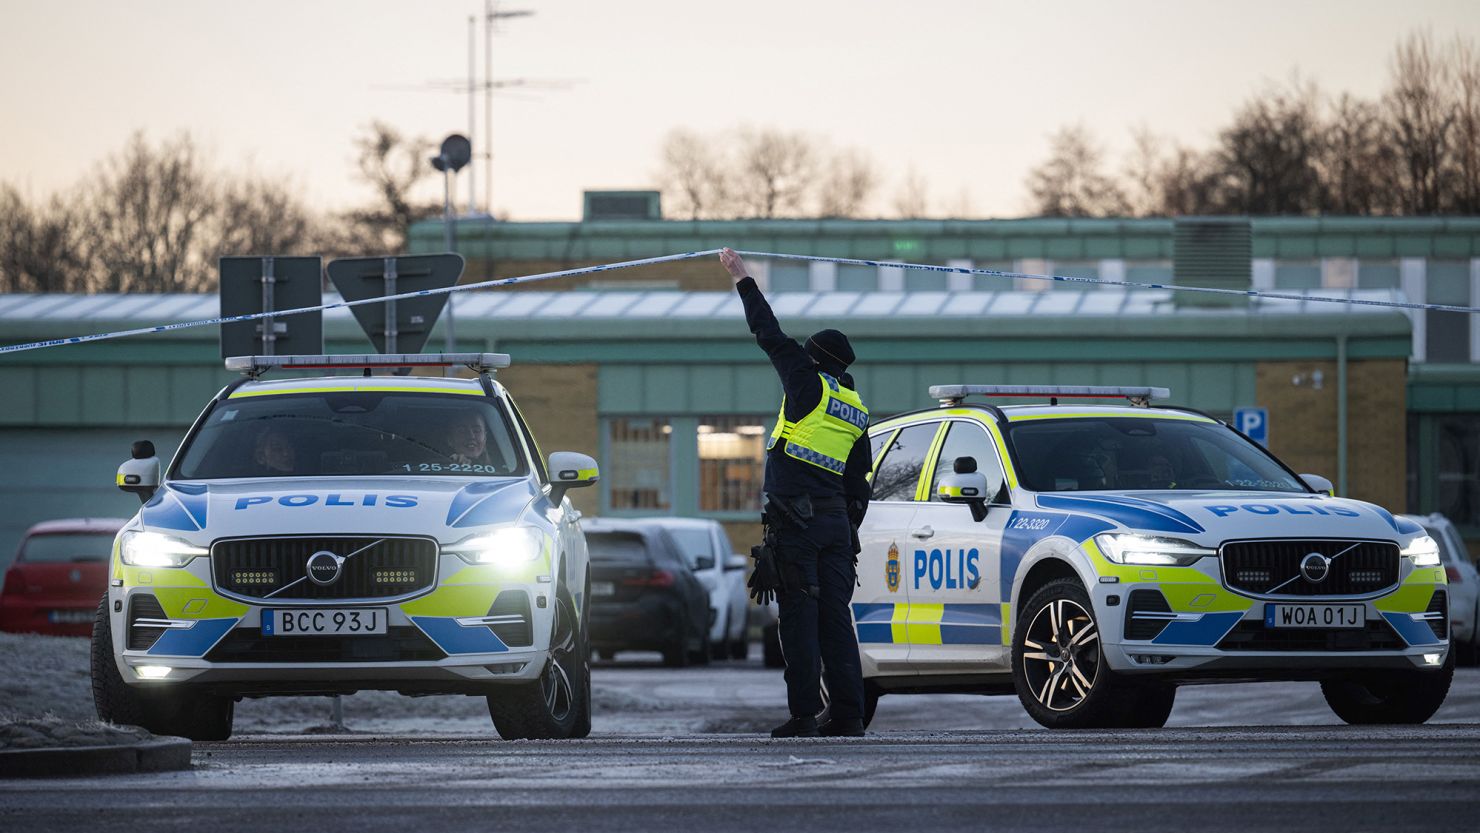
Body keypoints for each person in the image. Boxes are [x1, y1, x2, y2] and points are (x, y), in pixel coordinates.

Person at [719, 247, 872, 739]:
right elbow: (859, 484)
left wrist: (741, 278)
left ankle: (805, 715)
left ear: (815, 360)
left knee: (799, 623)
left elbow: (768, 333)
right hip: (835, 528)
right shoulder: (855, 408)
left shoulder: (808, 385)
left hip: (798, 526)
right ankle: (848, 715)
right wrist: (847, 532)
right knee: (836, 623)